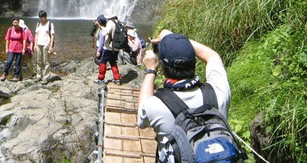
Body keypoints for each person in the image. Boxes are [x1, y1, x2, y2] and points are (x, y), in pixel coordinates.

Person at [137, 30, 232, 162]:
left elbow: (141, 118)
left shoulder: (156, 105)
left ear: (163, 68)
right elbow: (212, 56)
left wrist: (151, 70)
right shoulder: (218, 93)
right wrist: (180, 40)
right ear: (194, 62)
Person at [95, 8, 121, 84]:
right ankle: (117, 78)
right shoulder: (118, 22)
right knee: (113, 62)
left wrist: (99, 26)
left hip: (109, 47)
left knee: (103, 62)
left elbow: (105, 32)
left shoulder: (110, 22)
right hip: (117, 47)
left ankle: (101, 79)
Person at [34, 10, 55, 80]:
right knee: (38, 61)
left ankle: (46, 77)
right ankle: (39, 75)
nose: (42, 18)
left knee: (46, 61)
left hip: (46, 44)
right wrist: (35, 44)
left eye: (43, 17)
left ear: (46, 17)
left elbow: (52, 36)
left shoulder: (50, 24)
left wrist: (51, 46)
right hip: (39, 44)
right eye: (40, 17)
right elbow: (36, 35)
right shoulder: (38, 24)